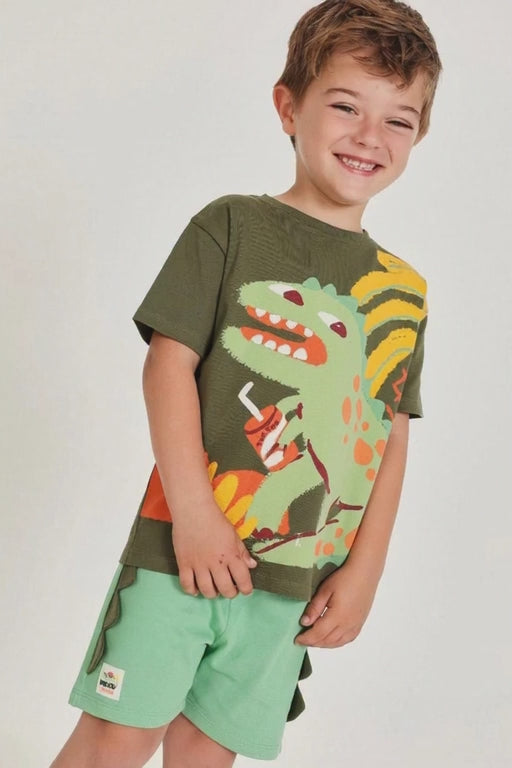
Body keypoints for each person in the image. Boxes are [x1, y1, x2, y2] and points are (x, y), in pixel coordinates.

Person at [50, 1, 442, 766]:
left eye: (399, 119)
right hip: (182, 550)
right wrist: (195, 515)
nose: (370, 136)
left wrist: (364, 571)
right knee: (117, 737)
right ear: (288, 107)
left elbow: (390, 434)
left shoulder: (404, 290)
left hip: (294, 579)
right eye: (345, 106)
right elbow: (167, 366)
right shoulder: (229, 226)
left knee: (210, 749)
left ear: (418, 135)